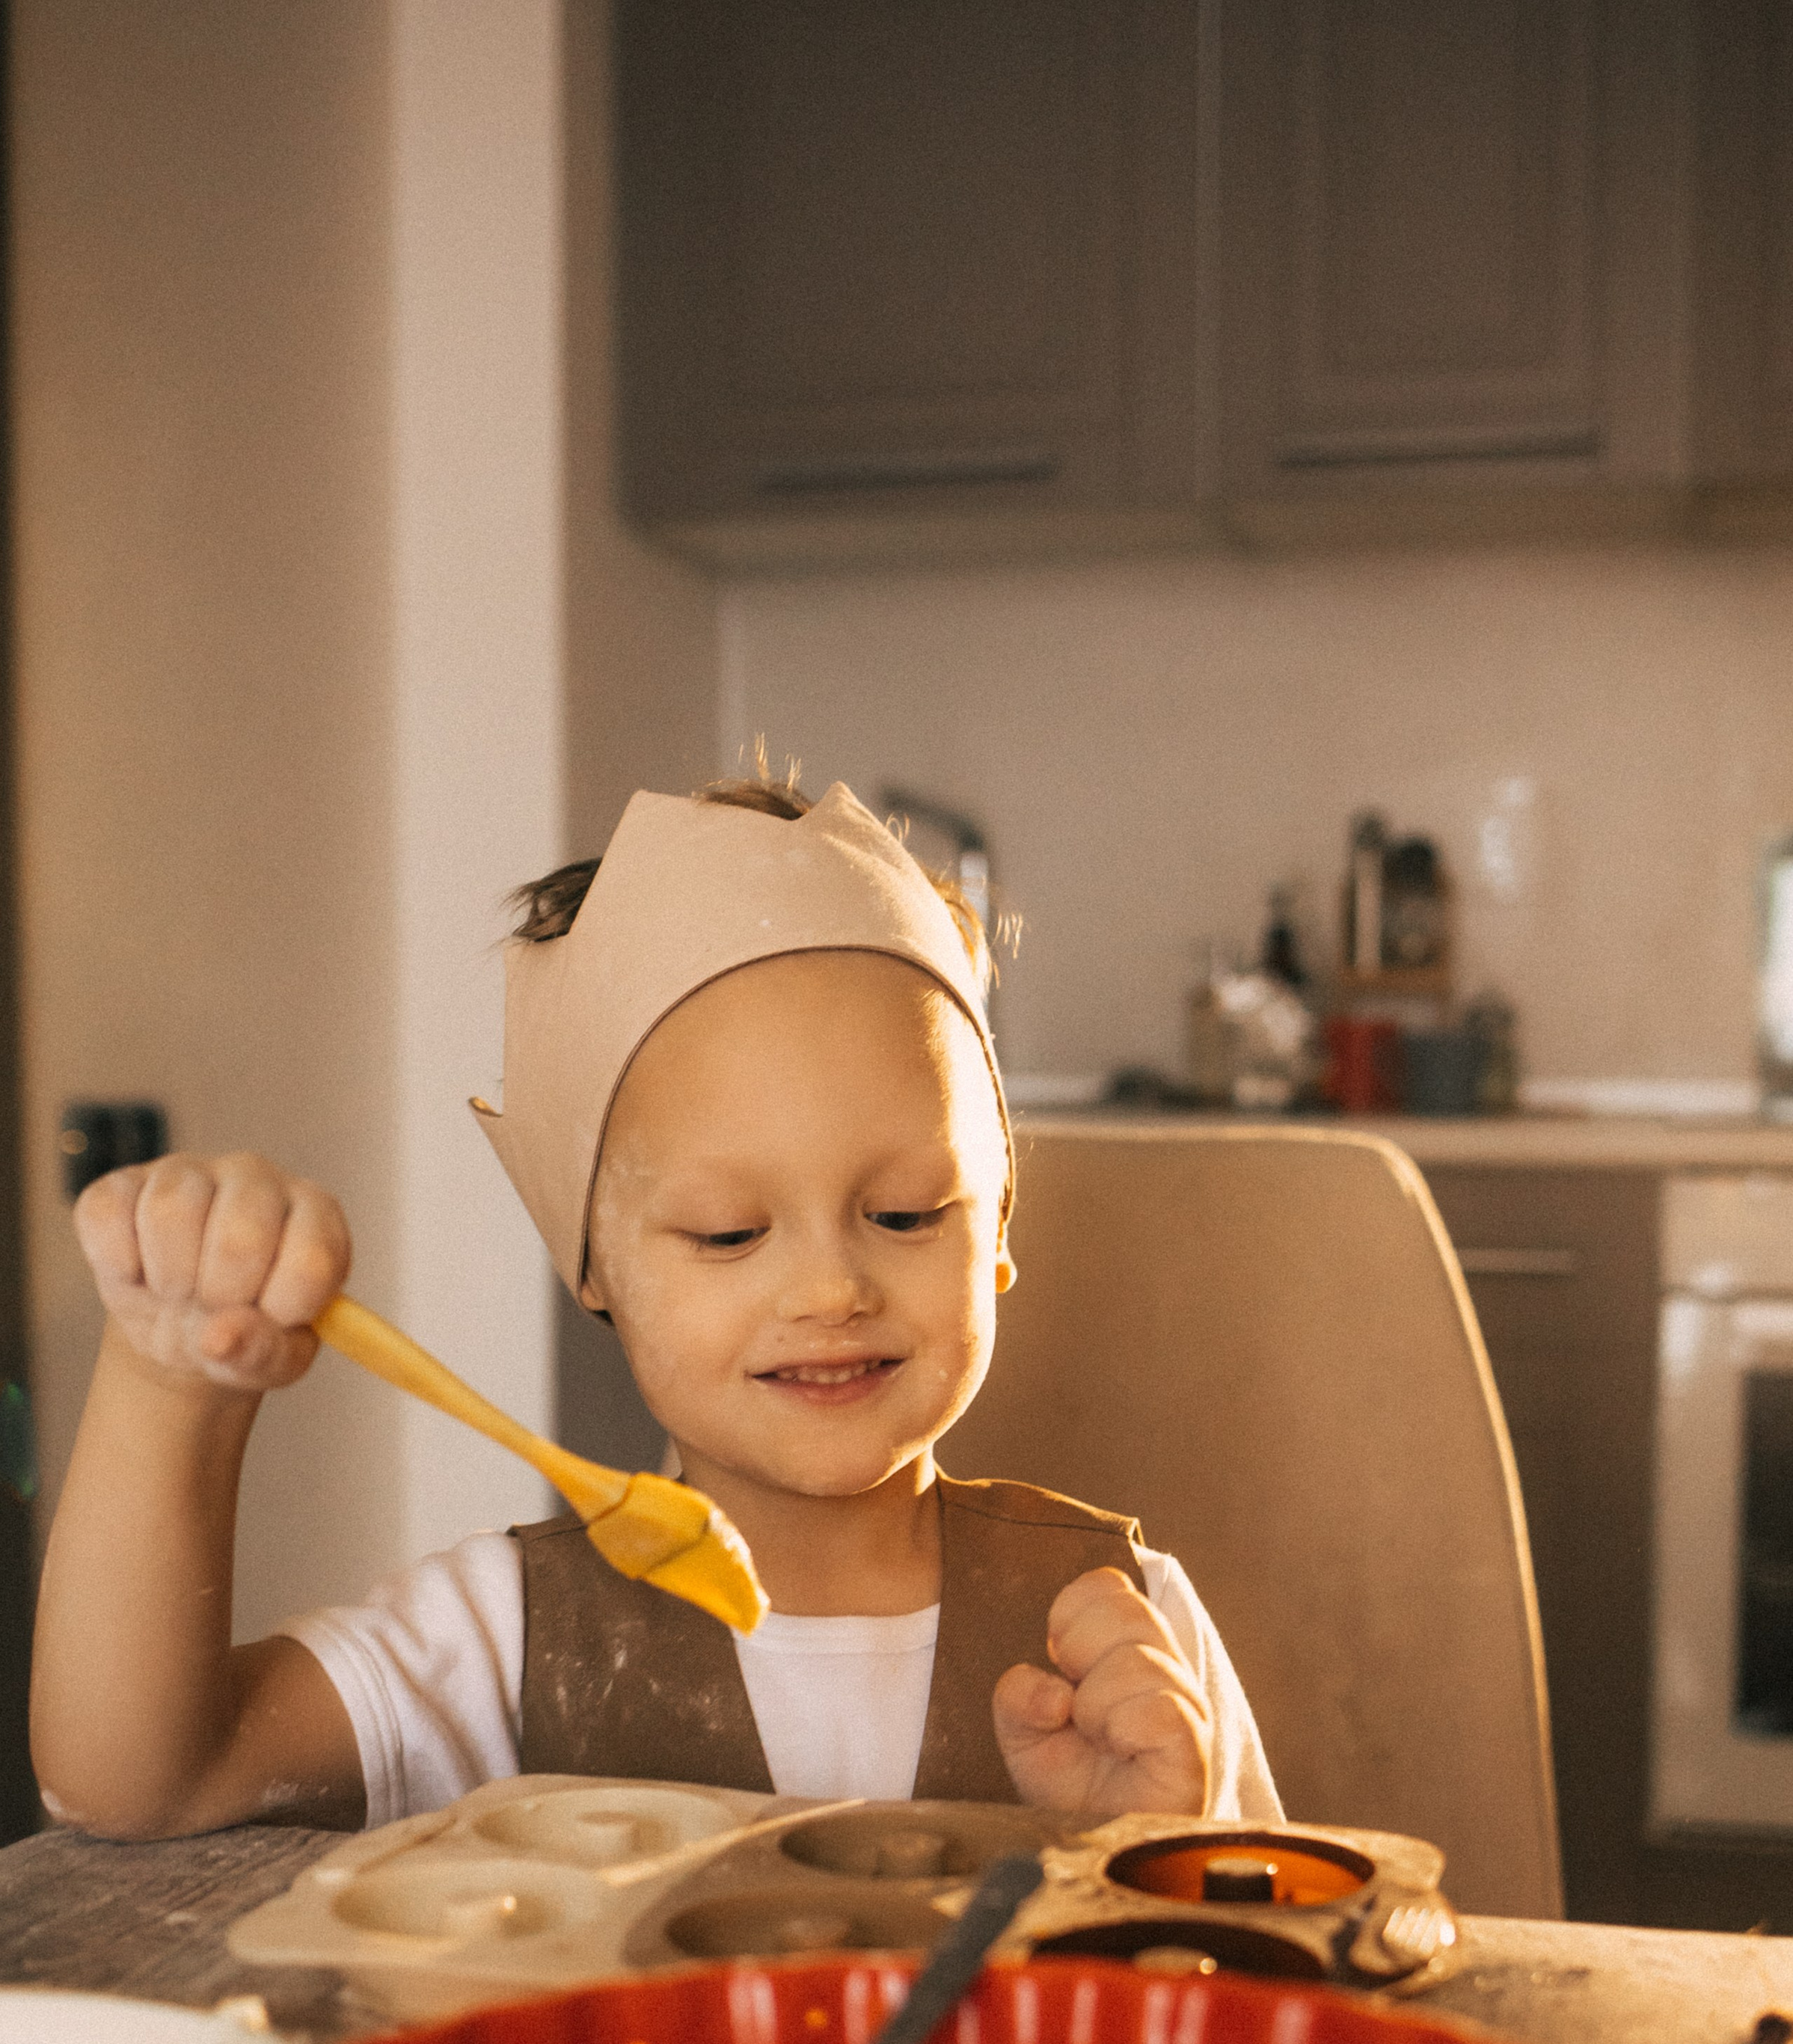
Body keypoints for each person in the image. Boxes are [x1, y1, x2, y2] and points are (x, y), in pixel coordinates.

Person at [31, 773, 1279, 1838]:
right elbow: (136, 1781)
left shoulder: (1125, 1621)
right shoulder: (502, 1641)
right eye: (731, 1232)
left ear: (998, 1225)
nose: (832, 1287)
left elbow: (1298, 2000)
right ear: (595, 1264)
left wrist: (1155, 1856)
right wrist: (173, 1381)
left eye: (904, 1213)